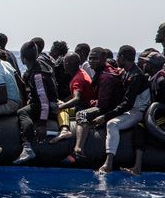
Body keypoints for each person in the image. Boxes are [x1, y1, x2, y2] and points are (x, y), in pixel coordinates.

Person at [62, 47, 124, 164]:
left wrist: (89, 103)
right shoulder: (101, 72)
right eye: (90, 58)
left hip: (110, 109)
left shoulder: (106, 77)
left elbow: (103, 105)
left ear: (103, 59)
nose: (91, 61)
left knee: (82, 114)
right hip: (106, 104)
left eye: (95, 58)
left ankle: (78, 150)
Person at [97, 45, 151, 173]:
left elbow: (127, 103)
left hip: (138, 111)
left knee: (112, 124)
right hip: (131, 109)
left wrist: (106, 116)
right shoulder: (127, 71)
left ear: (121, 57)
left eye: (117, 57)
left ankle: (108, 163)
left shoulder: (136, 76)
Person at [13, 41, 59, 164]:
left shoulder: (37, 76)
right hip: (50, 103)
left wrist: (42, 124)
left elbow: (44, 102)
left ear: (22, 59)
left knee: (22, 112)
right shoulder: (41, 64)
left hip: (47, 106)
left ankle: (27, 147)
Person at [51, 52, 94, 144]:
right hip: (86, 103)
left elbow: (77, 98)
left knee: (62, 109)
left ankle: (64, 130)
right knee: (60, 102)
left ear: (67, 64)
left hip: (84, 108)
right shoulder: (82, 72)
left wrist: (60, 107)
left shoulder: (77, 80)